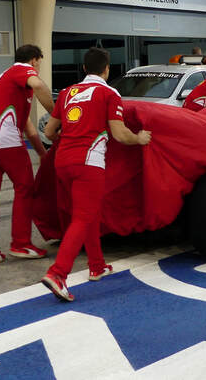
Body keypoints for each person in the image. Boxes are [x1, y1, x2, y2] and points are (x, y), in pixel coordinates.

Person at [41, 47, 151, 302]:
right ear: (107, 69)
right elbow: (120, 134)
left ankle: (97, 265)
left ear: (83, 69)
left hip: (62, 162)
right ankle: (58, 274)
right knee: (83, 217)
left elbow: (48, 131)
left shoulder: (68, 92)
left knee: (87, 214)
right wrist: (139, 139)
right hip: (88, 162)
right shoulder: (108, 93)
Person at [0, 44, 55, 266]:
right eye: (38, 63)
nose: (37, 68)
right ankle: (21, 243)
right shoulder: (21, 71)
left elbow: (27, 125)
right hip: (3, 138)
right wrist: (57, 116)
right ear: (34, 60)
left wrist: (42, 153)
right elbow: (38, 85)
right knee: (25, 187)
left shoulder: (4, 82)